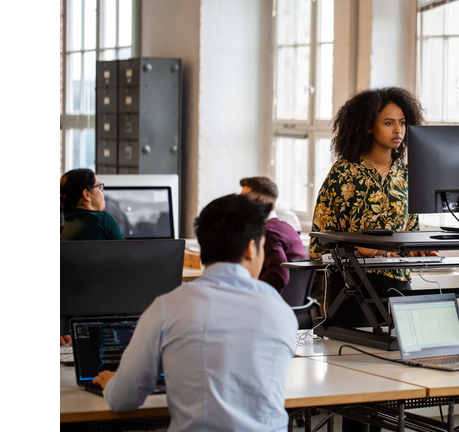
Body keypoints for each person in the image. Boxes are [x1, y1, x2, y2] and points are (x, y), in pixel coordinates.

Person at [92, 195, 298, 431]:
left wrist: (112, 385)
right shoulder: (280, 311)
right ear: (252, 249)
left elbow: (123, 400)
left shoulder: (167, 307)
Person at [309, 87, 436, 432]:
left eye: (403, 123)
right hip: (351, 289)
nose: (398, 130)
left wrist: (417, 247)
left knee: (389, 384)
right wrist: (362, 249)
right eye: (389, 123)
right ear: (368, 126)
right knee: (356, 389)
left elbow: (409, 231)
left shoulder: (407, 176)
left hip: (397, 285)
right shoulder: (343, 173)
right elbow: (318, 240)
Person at [240, 176, 307, 291]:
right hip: (295, 303)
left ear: (261, 202)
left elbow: (278, 275)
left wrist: (251, 291)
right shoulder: (288, 228)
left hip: (270, 303)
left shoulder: (268, 233)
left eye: (244, 201)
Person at [60, 168, 125, 241]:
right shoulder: (103, 220)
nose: (103, 191)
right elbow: (126, 251)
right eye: (99, 186)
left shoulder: (61, 224)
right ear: (86, 194)